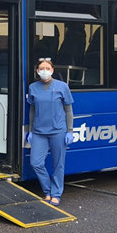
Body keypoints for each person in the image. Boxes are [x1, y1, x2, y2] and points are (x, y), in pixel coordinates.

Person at [25, 59, 74, 206]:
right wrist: (30, 130)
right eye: (41, 68)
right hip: (39, 132)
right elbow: (32, 110)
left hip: (58, 131)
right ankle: (47, 191)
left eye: (47, 68)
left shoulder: (62, 87)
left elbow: (68, 110)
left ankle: (56, 194)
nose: (44, 70)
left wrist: (69, 131)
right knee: (36, 162)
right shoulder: (33, 87)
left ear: (52, 70)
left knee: (58, 164)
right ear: (37, 71)